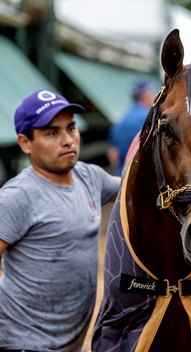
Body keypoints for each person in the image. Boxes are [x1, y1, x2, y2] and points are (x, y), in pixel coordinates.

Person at [0, 90, 120, 351]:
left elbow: (137, 188)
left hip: (70, 345)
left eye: (71, 128)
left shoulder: (90, 177)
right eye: (52, 133)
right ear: (25, 143)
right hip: (23, 344)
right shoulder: (17, 197)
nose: (68, 140)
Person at [107, 78, 156, 175]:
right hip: (143, 178)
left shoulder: (120, 120)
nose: (154, 97)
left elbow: (113, 155)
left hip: (122, 177)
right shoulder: (151, 118)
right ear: (145, 95)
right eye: (152, 93)